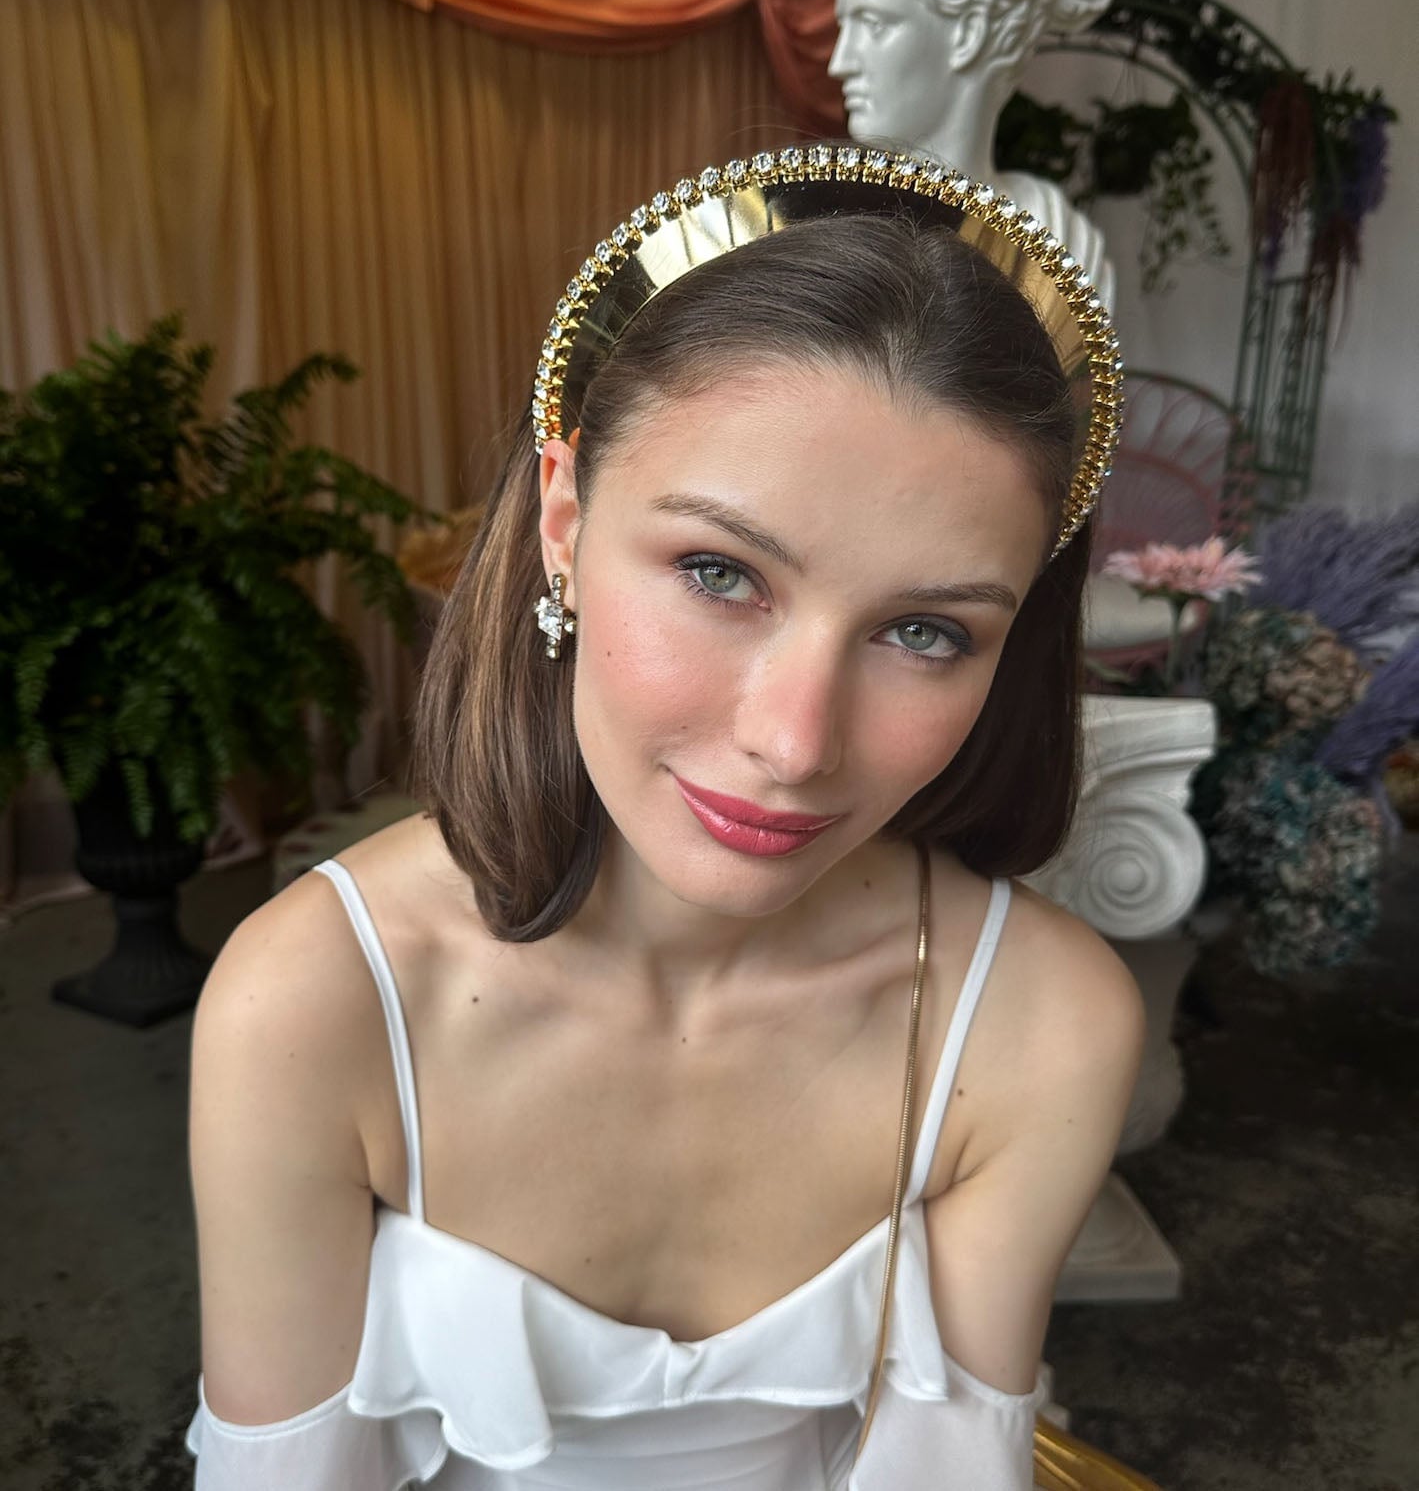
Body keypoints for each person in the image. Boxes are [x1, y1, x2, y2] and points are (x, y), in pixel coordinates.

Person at [185, 146, 1142, 1490]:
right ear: (563, 520)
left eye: (925, 631)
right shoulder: (313, 1002)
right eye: (718, 572)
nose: (793, 743)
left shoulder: (1040, 1024)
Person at [830, 0, 1119, 309]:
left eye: (874, 24)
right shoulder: (830, 218)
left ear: (971, 32)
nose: (839, 62)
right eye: (844, 27)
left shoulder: (1060, 240)